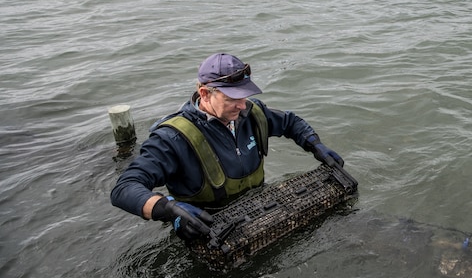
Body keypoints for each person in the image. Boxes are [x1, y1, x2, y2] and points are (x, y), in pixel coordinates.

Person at [111, 53, 344, 241]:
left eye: (245, 96)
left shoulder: (252, 113)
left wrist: (316, 145)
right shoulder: (171, 138)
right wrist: (170, 209)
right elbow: (125, 188)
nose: (242, 105)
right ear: (204, 93)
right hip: (205, 228)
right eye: (232, 98)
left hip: (260, 213)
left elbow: (290, 122)